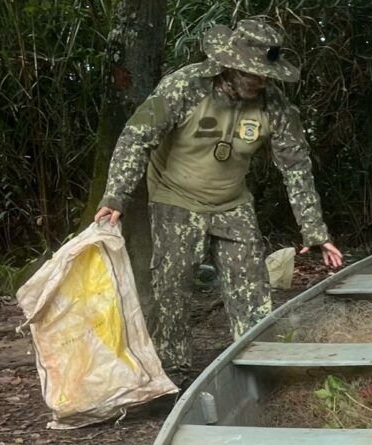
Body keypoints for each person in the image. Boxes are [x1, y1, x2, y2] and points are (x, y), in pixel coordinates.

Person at [94, 19, 343, 371]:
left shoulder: (273, 104)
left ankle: (259, 369)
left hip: (232, 203)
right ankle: (174, 374)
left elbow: (296, 166)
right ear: (230, 64)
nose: (260, 81)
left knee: (252, 290)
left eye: (265, 74)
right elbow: (136, 138)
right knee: (172, 292)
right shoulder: (185, 86)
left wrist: (315, 231)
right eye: (252, 73)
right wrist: (115, 196)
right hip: (175, 198)